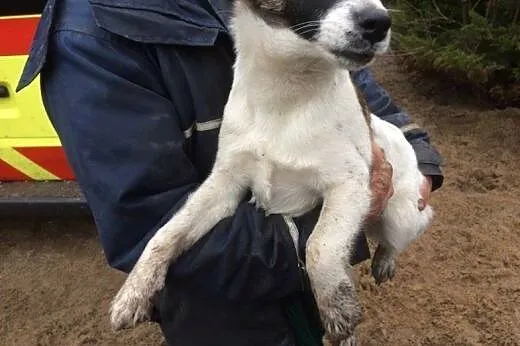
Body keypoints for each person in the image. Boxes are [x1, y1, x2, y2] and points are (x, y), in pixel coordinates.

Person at [17, 0, 444, 345]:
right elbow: (144, 220)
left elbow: (343, 64)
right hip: (227, 311)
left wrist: (415, 151)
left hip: (313, 255)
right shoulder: (91, 36)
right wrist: (327, 240)